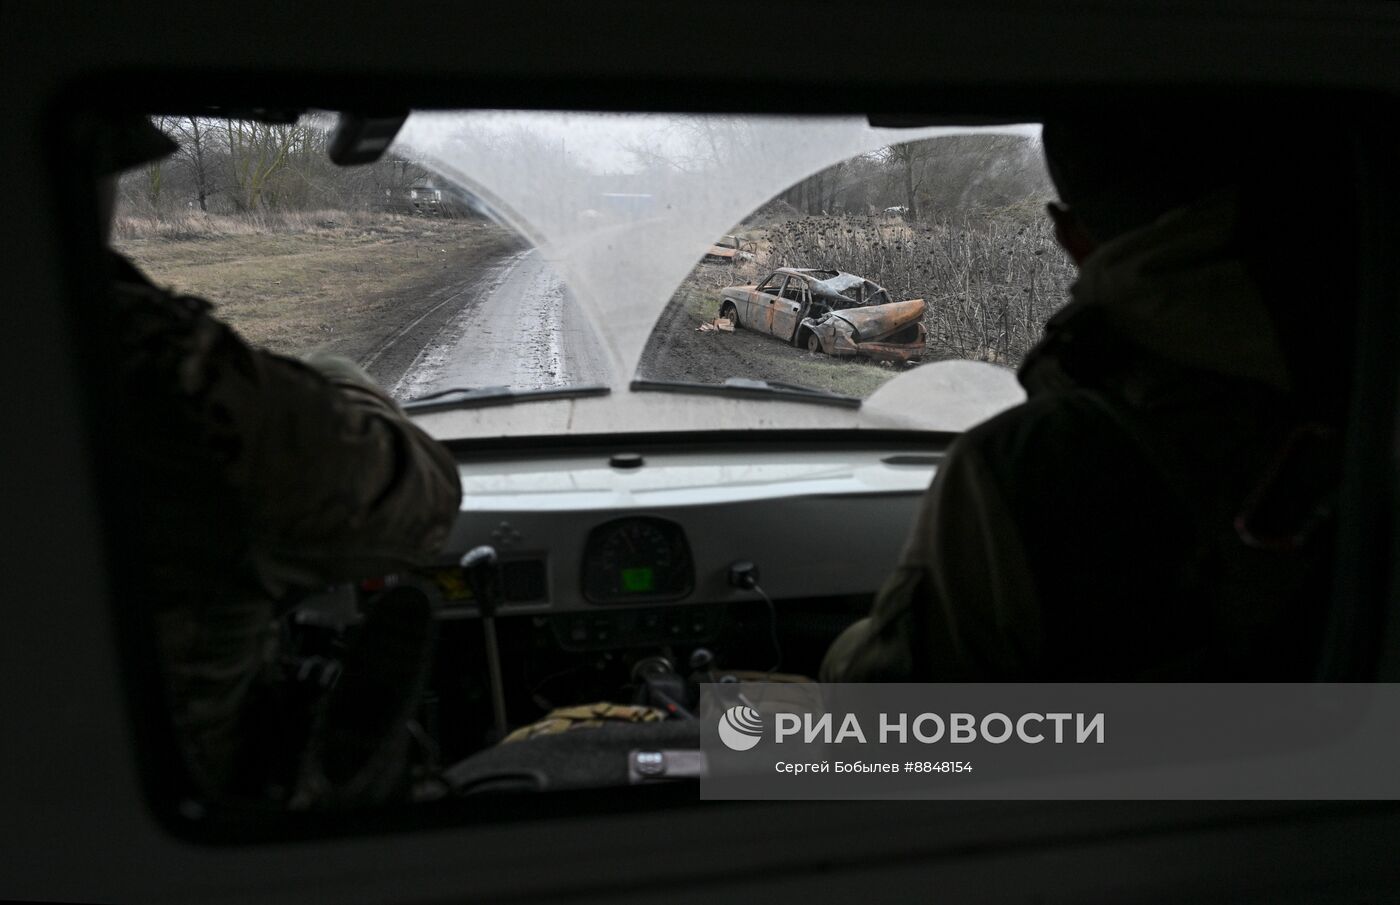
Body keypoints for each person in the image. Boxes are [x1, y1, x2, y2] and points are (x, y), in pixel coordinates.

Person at [821, 115, 1355, 682]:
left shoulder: (1028, 464)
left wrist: (847, 652)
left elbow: (886, 721)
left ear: (1069, 236)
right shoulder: (1359, 380)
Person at [95, 117, 462, 805]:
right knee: (700, 751)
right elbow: (424, 496)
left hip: (102, 816)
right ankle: (733, 786)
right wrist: (339, 374)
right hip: (207, 812)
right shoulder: (160, 370)